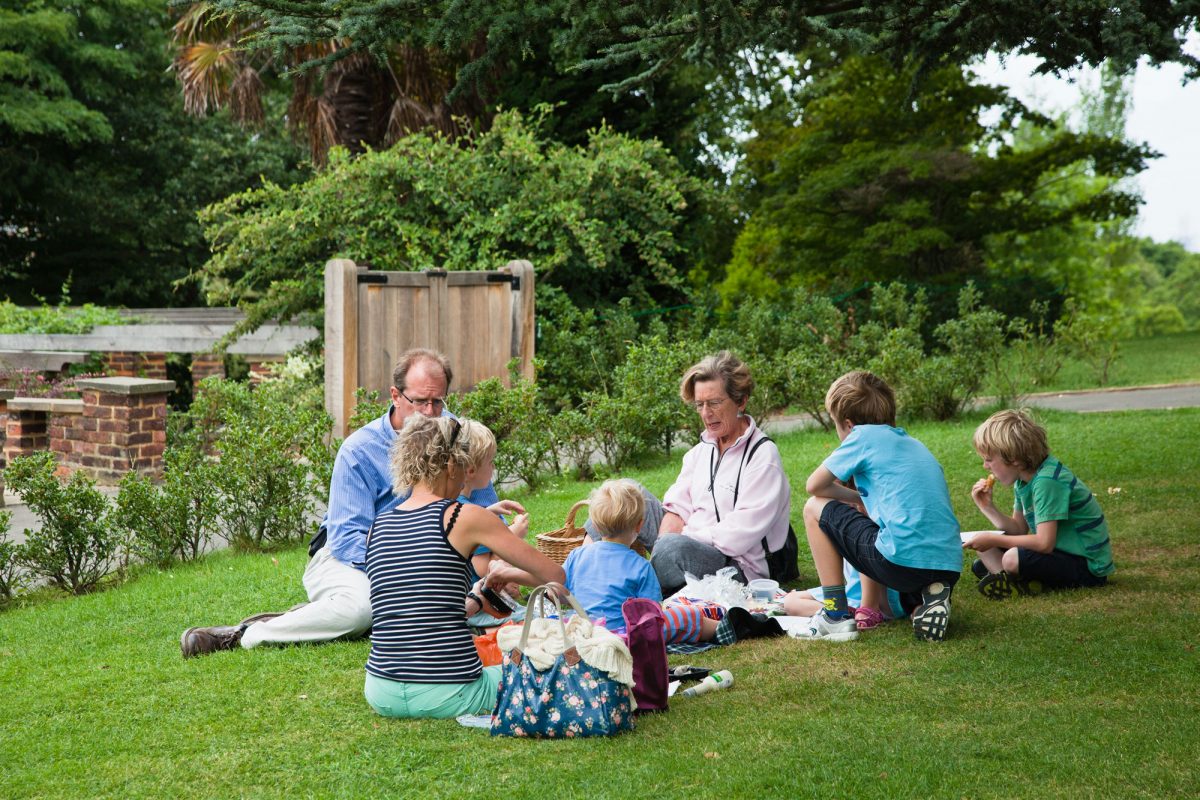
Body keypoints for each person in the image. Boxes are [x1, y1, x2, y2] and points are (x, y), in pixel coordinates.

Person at [181, 348, 511, 657]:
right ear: (395, 396)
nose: (430, 413)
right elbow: (349, 539)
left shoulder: (455, 437)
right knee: (363, 608)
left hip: (426, 559)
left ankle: (312, 615)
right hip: (347, 557)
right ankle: (246, 633)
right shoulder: (359, 450)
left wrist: (494, 567)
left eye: (438, 402)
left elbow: (483, 511)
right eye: (420, 401)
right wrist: (406, 575)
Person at [364, 414, 565, 719]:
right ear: (449, 465)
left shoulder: (377, 526)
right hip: (451, 691)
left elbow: (412, 606)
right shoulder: (464, 515)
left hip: (381, 690)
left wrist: (474, 601)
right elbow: (554, 575)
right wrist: (506, 573)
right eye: (463, 462)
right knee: (553, 663)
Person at [797, 370, 961, 642]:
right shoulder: (915, 444)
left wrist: (856, 499)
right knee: (897, 545)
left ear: (848, 425)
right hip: (947, 566)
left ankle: (835, 614)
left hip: (900, 561)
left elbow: (815, 486)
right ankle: (925, 604)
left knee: (814, 508)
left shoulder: (862, 437)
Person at [644, 351, 793, 596]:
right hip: (687, 542)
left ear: (741, 401)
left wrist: (681, 537)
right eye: (700, 405)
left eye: (714, 403)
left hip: (737, 567)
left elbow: (736, 536)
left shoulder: (763, 457)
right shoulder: (701, 450)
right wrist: (668, 535)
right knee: (622, 496)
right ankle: (576, 581)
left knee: (671, 549)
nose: (706, 413)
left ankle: (635, 588)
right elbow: (677, 506)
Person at [565, 479, 781, 645]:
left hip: (584, 633)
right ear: (640, 526)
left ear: (594, 523)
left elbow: (563, 593)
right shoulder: (640, 566)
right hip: (627, 638)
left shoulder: (576, 556)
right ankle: (725, 628)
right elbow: (653, 617)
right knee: (685, 617)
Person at [964, 409, 1115, 598]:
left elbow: (1044, 543)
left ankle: (1013, 583)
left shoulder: (1047, 482)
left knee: (1010, 558)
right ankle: (1012, 580)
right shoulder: (1023, 479)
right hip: (1060, 552)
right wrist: (987, 507)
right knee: (985, 552)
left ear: (1015, 459)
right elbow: (1018, 529)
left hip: (1088, 567)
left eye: (988, 460)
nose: (986, 466)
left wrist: (994, 539)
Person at [782, 562, 907, 631]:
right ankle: (847, 612)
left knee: (811, 514)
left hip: (880, 597)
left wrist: (868, 606)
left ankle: (856, 613)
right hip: (853, 592)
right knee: (790, 602)